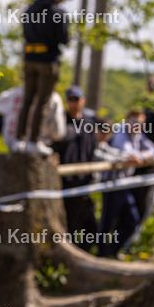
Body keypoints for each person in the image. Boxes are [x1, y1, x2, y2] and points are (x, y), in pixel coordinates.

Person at [14, 0, 72, 155]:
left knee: (27, 100)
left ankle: (19, 139)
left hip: (29, 59)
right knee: (42, 102)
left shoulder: (30, 9)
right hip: (48, 61)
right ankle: (33, 141)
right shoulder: (58, 13)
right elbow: (63, 38)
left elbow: (25, 32)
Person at [97, 112, 154, 258]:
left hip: (124, 184)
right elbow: (127, 153)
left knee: (131, 220)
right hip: (112, 185)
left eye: (139, 123)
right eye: (133, 122)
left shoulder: (137, 135)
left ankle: (112, 251)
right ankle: (101, 254)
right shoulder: (121, 132)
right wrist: (140, 156)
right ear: (126, 122)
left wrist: (141, 156)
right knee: (108, 221)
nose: (135, 126)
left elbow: (153, 149)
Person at [52, 86, 99, 250]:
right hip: (65, 180)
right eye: (70, 100)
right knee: (69, 221)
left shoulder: (89, 122)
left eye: (76, 99)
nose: (73, 103)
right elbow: (54, 146)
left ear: (83, 100)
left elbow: (92, 148)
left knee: (89, 222)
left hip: (85, 180)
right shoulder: (61, 121)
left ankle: (86, 252)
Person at [0, 85, 66, 151]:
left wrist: (5, 134)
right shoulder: (53, 97)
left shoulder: (12, 93)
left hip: (13, 147)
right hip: (40, 149)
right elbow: (58, 133)